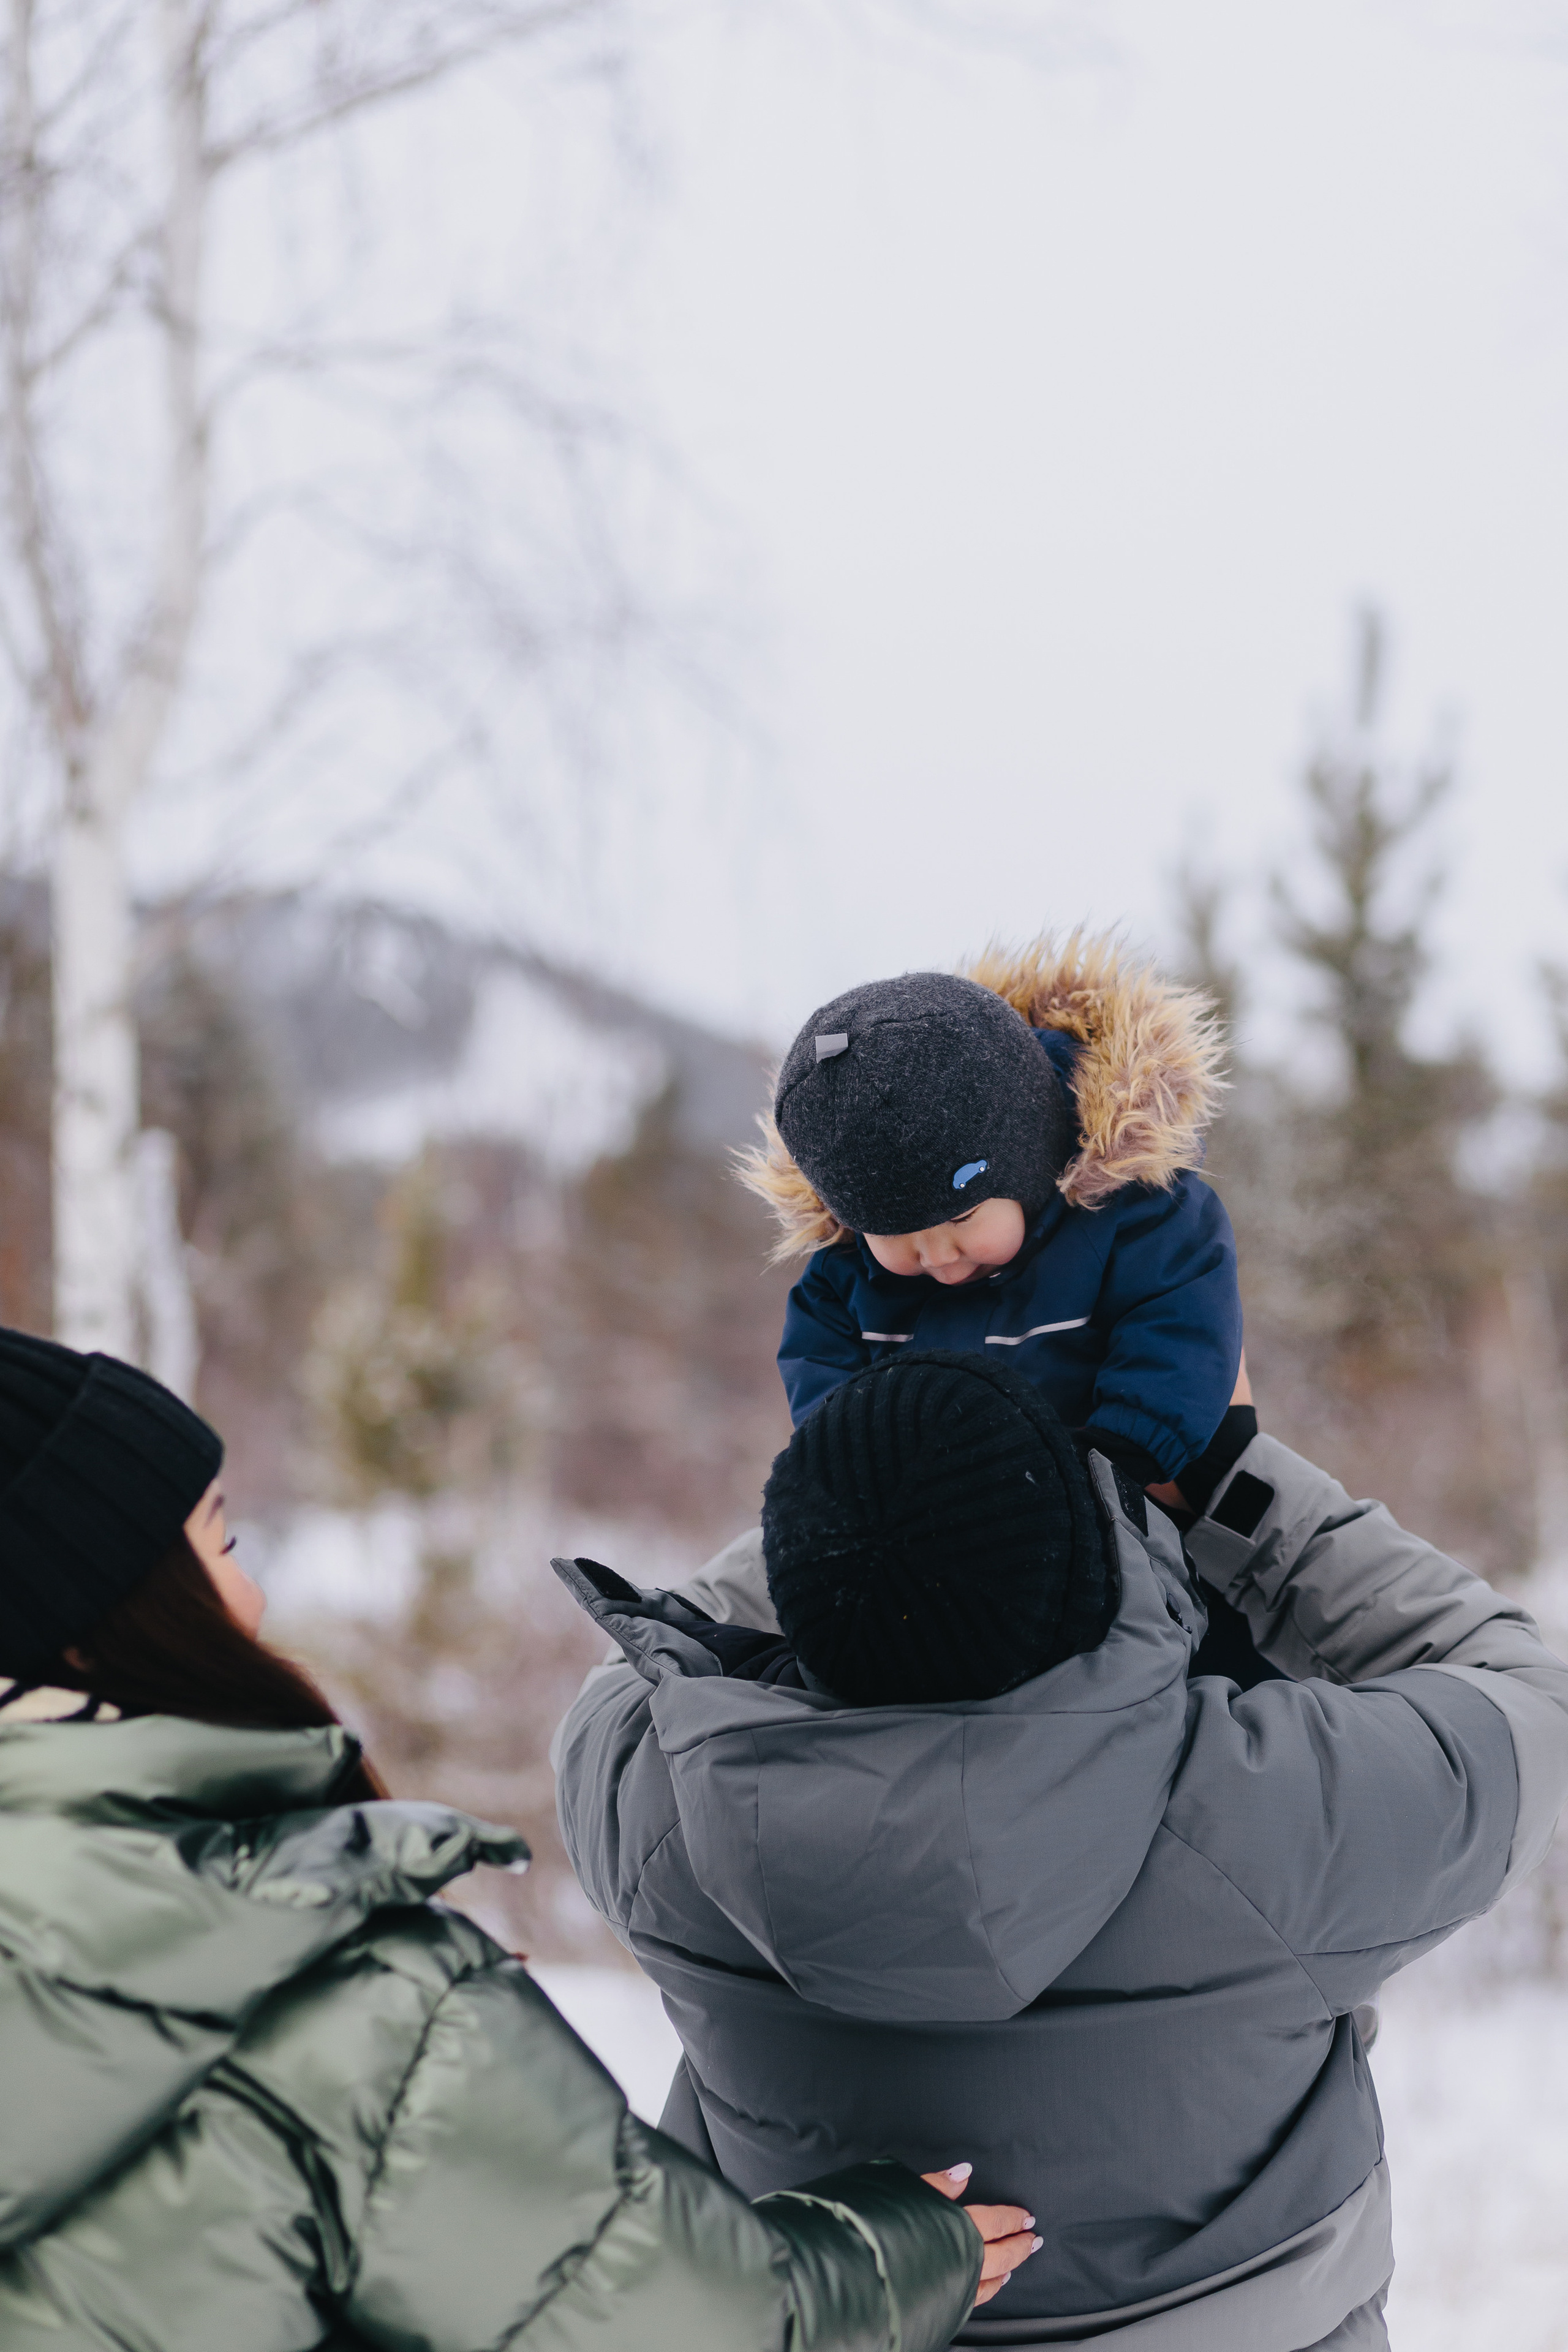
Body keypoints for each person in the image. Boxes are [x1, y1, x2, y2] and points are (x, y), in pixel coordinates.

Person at [0, 1325, 1037, 2351]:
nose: (255, 1593)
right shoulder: (327, 1987)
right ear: (101, 1624)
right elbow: (669, 2328)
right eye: (224, 1544)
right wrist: (885, 2256)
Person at [552, 1349, 1568, 2351]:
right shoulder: (1273, 1812)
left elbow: (661, 1662)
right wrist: (1232, 1480)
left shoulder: (656, 1805)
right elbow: (1525, 1695)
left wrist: (860, 1485)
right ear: (1086, 1561)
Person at [738, 932, 1240, 1498]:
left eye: (963, 1217)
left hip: (1134, 1490)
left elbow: (1180, 1333)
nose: (937, 1256)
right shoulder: (844, 1284)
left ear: (1030, 1165)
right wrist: (862, 1479)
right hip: (940, 1516)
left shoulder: (1137, 1219)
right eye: (893, 1232)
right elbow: (825, 1390)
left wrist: (1112, 1462)